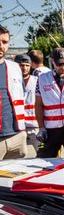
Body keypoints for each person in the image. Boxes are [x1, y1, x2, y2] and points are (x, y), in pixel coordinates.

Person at [35, 47, 64, 158]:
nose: (63, 67)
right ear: (52, 61)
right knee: (44, 161)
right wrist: (41, 128)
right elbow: (38, 105)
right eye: (59, 64)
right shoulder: (42, 79)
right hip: (51, 129)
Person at [0, 26, 28, 160]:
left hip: (16, 135)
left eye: (4, 42)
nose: (1, 46)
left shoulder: (14, 68)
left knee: (14, 179)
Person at [15, 54, 41, 153]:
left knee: (42, 154)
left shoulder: (37, 81)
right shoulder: (11, 81)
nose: (24, 68)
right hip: (18, 126)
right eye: (22, 65)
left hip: (35, 126)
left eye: (27, 65)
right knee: (17, 157)